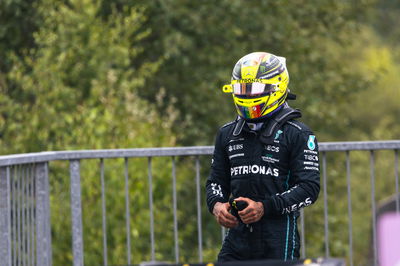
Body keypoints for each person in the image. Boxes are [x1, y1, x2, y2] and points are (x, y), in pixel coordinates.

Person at [205, 52, 320, 262]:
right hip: (237, 239)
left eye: (254, 89)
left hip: (278, 237)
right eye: (242, 89)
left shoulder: (298, 133)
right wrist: (217, 206)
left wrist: (264, 207)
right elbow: (215, 182)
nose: (248, 96)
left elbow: (309, 188)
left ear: (276, 87)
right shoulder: (227, 133)